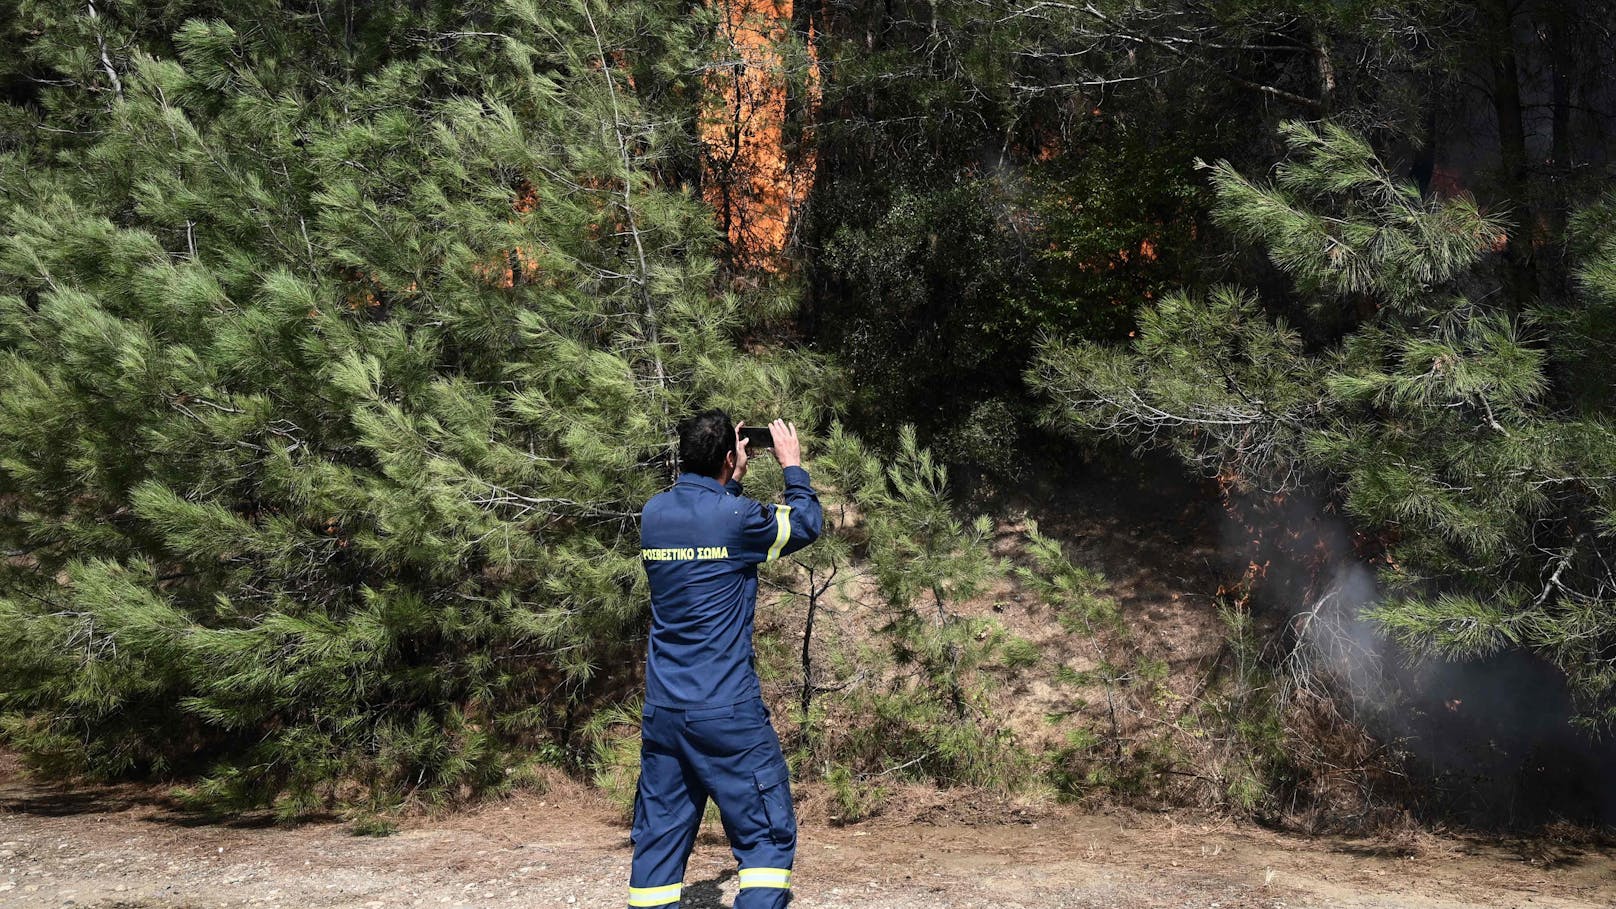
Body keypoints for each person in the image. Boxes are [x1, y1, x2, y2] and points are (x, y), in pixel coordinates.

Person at [627, 410, 824, 909]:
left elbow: (706, 531)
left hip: (666, 712)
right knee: (765, 840)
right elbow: (805, 524)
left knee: (659, 840)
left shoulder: (654, 514)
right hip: (726, 711)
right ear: (732, 457)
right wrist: (792, 467)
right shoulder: (736, 521)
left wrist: (729, 484)